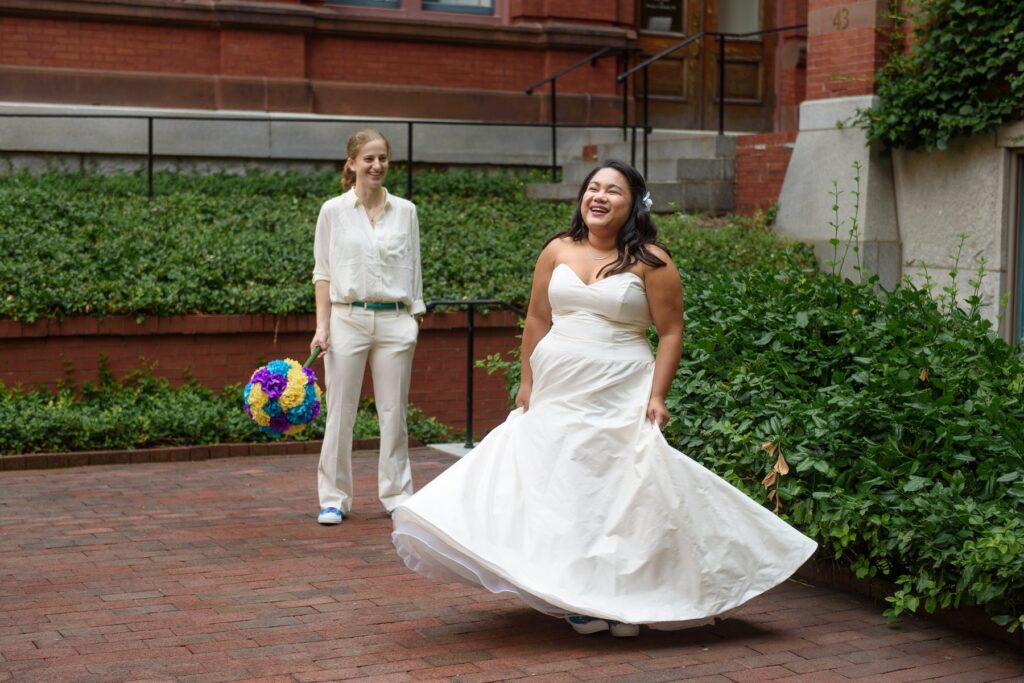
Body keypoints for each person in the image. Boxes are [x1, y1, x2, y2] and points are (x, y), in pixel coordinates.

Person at [390, 159, 817, 636]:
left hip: (620, 387)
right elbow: (536, 318)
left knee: (619, 492)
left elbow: (671, 331)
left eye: (613, 190)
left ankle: (625, 599)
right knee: (563, 489)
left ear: (634, 203)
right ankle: (576, 595)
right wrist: (527, 380)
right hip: (558, 390)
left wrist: (658, 394)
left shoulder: (652, 260)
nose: (599, 196)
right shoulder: (557, 249)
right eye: (593, 187)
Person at [310, 128, 425, 525]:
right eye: (369, 159)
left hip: (396, 320)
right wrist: (322, 326)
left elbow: (414, 268)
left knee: (394, 413)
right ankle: (334, 498)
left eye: (383, 159)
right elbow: (322, 273)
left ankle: (396, 493)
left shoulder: (406, 211)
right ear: (352, 163)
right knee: (339, 412)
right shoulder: (333, 211)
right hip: (347, 319)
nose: (377, 166)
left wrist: (414, 317)